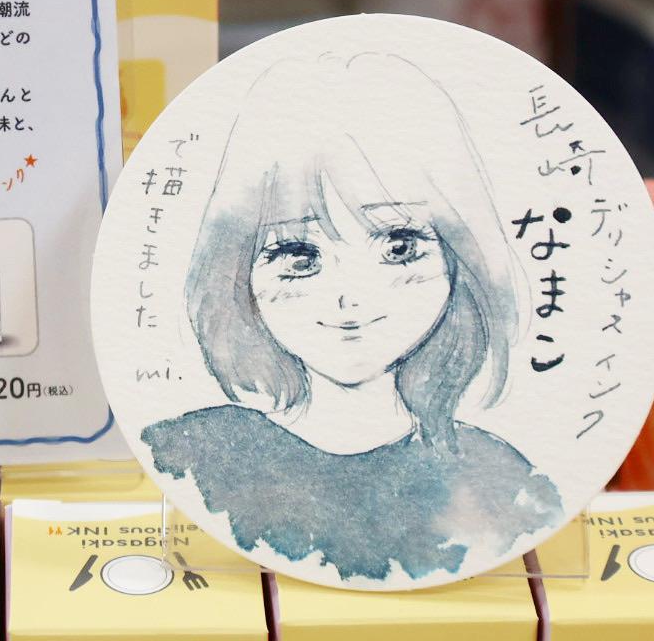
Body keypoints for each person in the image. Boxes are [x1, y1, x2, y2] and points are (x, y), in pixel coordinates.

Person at [142, 53, 562, 583]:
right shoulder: (186, 456)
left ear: (460, 256)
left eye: (399, 248)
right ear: (236, 268)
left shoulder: (502, 482)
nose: (349, 299)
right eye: (300, 257)